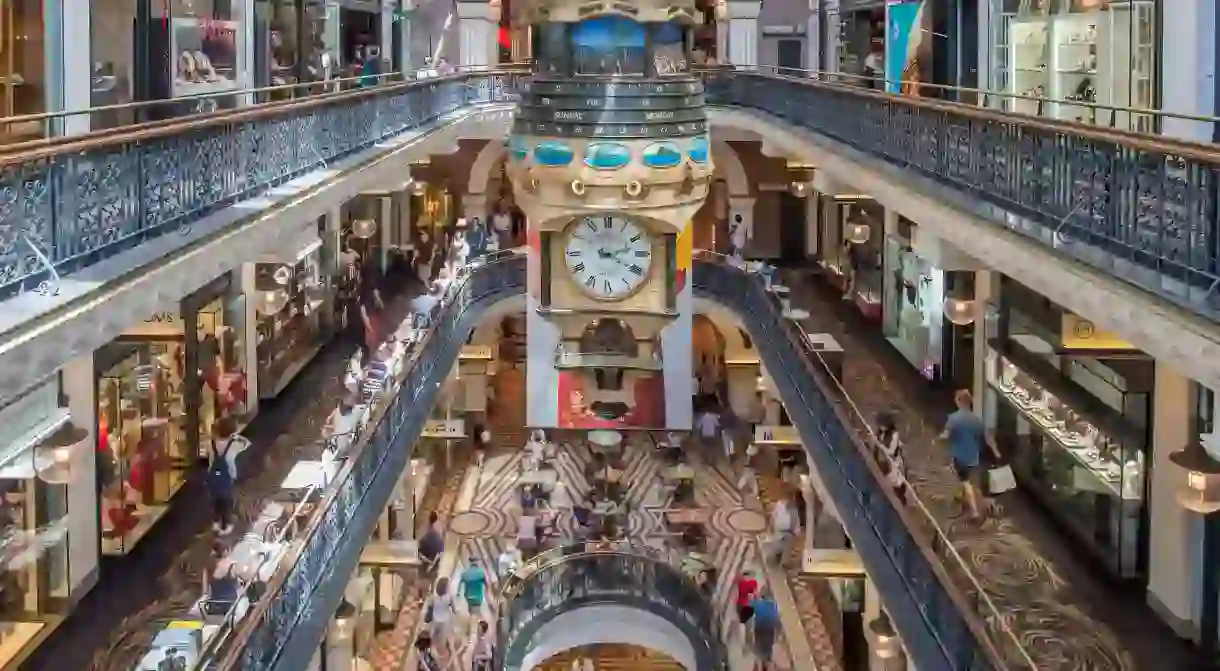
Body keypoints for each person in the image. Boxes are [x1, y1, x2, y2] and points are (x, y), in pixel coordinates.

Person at [940, 389, 986, 520]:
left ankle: (974, 511)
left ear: (959, 402)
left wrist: (937, 439)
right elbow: (982, 435)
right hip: (974, 455)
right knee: (968, 480)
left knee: (965, 482)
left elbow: (946, 435)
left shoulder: (954, 418)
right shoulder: (976, 419)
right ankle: (962, 495)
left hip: (960, 456)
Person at [207, 419, 247, 535]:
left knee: (216, 501)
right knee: (227, 502)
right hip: (227, 478)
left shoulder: (212, 444)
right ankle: (226, 526)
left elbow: (210, 461)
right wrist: (235, 436)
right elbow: (246, 443)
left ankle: (216, 522)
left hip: (213, 477)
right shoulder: (233, 445)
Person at [749, 588, 780, 670]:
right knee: (768, 649)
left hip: (759, 628)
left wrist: (754, 598)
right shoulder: (774, 605)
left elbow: (750, 605)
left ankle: (758, 664)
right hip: (770, 629)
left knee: (759, 648)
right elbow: (777, 618)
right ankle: (766, 664)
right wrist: (778, 634)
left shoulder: (758, 603)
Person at [429, 577, 459, 659]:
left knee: (434, 638)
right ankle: (448, 653)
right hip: (445, 621)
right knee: (445, 638)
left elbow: (430, 607)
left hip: (435, 620)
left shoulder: (434, 597)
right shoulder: (449, 597)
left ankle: (434, 653)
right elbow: (454, 610)